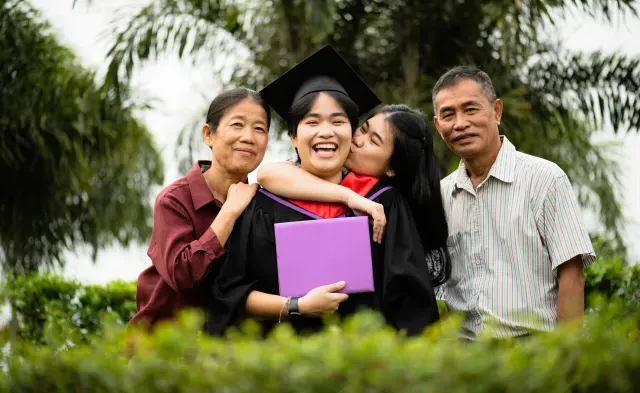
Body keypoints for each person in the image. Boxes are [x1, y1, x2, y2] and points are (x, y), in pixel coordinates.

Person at [206, 46, 440, 337]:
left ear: (352, 134)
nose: (326, 132)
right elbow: (230, 296)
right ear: (293, 137)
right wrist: (296, 306)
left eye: (338, 122)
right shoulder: (260, 208)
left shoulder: (384, 204)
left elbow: (412, 305)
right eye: (312, 122)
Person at [431, 65, 596, 339]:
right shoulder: (440, 196)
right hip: (465, 364)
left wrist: (568, 357)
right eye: (448, 114)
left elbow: (572, 274)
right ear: (438, 125)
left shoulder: (544, 179)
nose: (460, 123)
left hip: (534, 356)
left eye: (471, 109)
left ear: (496, 111)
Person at [257, 104, 451, 287]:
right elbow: (266, 174)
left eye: (373, 141)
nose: (357, 139)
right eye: (363, 129)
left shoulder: (388, 205)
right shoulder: (308, 178)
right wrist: (348, 196)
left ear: (392, 167)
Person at [129, 88, 270, 330]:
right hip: (166, 346)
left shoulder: (263, 204)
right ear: (209, 134)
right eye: (237, 125)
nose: (249, 137)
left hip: (235, 352)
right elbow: (182, 275)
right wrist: (229, 212)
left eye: (259, 129)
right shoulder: (174, 201)